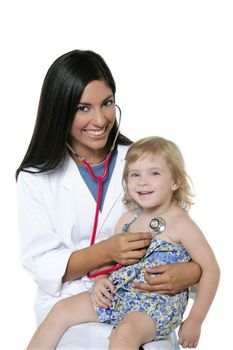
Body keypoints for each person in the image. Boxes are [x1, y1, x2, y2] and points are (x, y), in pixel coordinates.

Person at [16, 50, 201, 349]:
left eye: (107, 103)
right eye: (83, 108)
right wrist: (107, 252)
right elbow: (42, 264)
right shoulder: (36, 178)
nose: (100, 119)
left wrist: (190, 273)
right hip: (73, 300)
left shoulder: (142, 163)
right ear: (60, 110)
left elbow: (182, 238)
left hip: (147, 296)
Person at [25, 136, 220, 350]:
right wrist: (101, 280)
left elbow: (211, 269)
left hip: (155, 306)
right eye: (135, 174)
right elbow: (111, 260)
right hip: (119, 294)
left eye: (154, 173)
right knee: (61, 310)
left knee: (125, 333)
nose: (143, 181)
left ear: (175, 181)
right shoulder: (128, 220)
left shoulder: (181, 223)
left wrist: (195, 321)